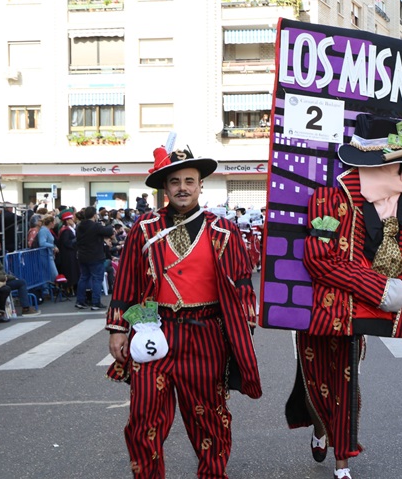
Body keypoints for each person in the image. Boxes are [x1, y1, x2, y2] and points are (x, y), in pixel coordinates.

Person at [286, 115, 402, 479]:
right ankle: (320, 428)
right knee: (314, 380)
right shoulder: (330, 198)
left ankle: (343, 458)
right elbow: (319, 259)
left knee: (347, 383)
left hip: (366, 316)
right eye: (400, 164)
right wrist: (378, 288)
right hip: (325, 312)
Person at [106, 145, 261, 478]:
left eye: (189, 180)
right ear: (165, 187)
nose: (182, 187)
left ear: (200, 185)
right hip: (153, 330)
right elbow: (127, 282)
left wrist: (243, 329)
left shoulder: (223, 231)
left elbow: (242, 282)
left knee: (210, 418)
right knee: (143, 418)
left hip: (206, 334)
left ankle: (212, 475)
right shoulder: (144, 229)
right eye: (175, 181)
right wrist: (118, 328)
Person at [75, 206, 114, 310]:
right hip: (95, 256)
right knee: (97, 279)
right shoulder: (96, 226)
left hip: (82, 256)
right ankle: (96, 302)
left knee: (83, 277)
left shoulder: (79, 226)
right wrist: (106, 224)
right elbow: (109, 232)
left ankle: (80, 301)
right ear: (94, 215)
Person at [0, 237, 40, 317]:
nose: (0, 249)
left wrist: (10, 277)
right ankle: (25, 308)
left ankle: (2, 311)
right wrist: (7, 278)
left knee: (19, 282)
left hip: (1, 280)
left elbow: (1, 273)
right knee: (21, 283)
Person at [56, 212, 80, 297]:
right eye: (70, 219)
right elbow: (66, 243)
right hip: (68, 255)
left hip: (71, 254)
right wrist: (76, 240)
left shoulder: (69, 229)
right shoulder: (65, 231)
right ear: (67, 221)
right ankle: (70, 289)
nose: (73, 220)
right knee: (71, 272)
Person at [37, 215, 59, 285]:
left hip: (48, 255)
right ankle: (46, 290)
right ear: (51, 223)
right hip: (45, 255)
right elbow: (42, 243)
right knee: (54, 275)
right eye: (54, 222)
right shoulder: (44, 231)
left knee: (47, 274)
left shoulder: (46, 230)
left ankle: (46, 290)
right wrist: (53, 246)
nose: (55, 224)